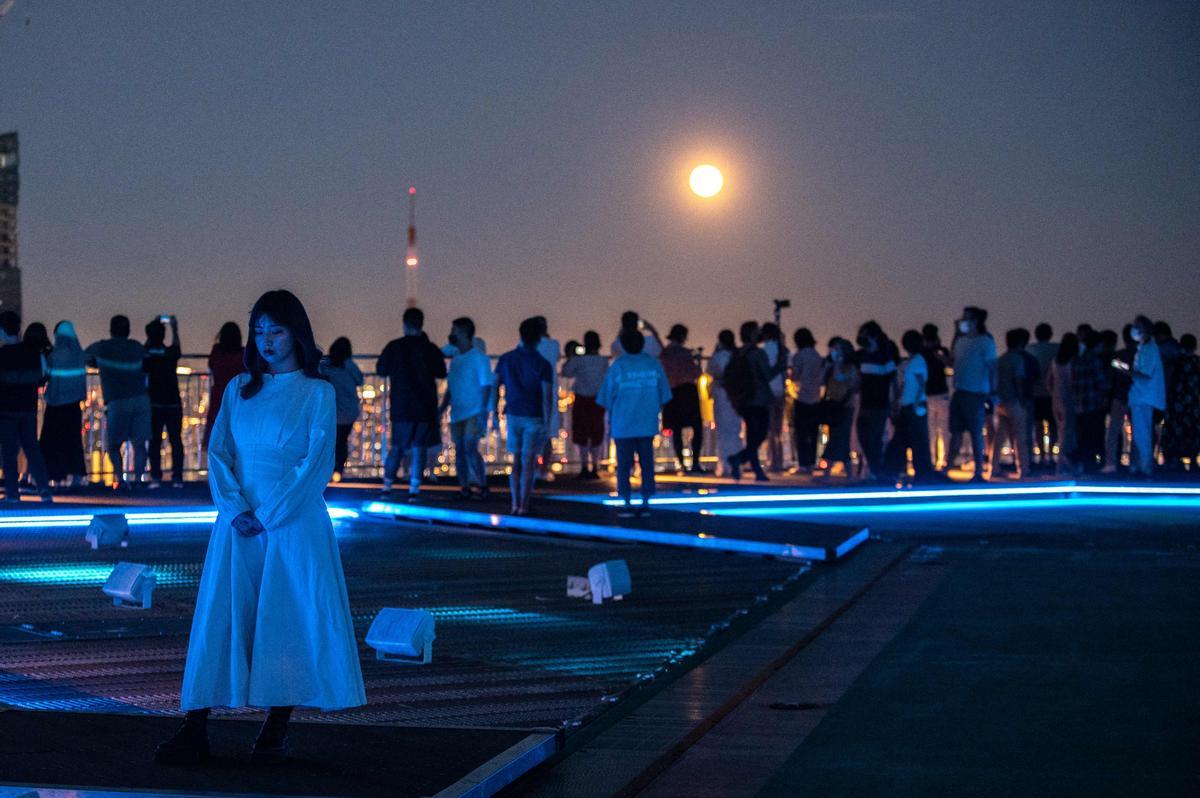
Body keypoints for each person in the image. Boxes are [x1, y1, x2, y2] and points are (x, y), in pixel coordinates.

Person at [156, 290, 364, 767]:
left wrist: (265, 515)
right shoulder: (239, 388)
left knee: (284, 617)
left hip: (289, 522)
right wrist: (234, 508)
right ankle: (196, 725)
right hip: (241, 520)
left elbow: (317, 464)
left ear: (297, 332)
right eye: (260, 331)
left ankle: (274, 729)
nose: (267, 341)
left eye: (277, 330)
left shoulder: (318, 391)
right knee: (223, 614)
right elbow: (219, 452)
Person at [598, 327, 672, 517]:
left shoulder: (618, 366)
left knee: (624, 465)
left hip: (623, 424)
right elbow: (664, 394)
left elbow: (605, 397)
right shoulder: (653, 365)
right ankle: (646, 501)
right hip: (647, 422)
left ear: (622, 345)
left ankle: (626, 502)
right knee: (647, 463)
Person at [376, 307, 447, 500]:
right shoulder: (430, 348)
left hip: (402, 406)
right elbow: (441, 372)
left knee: (397, 447)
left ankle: (387, 487)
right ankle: (414, 490)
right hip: (425, 406)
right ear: (421, 324)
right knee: (419, 449)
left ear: (404, 324)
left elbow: (381, 370)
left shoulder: (394, 347)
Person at [495, 318, 553, 515]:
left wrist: (494, 414)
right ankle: (523, 505)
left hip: (513, 414)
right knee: (529, 461)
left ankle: (514, 503)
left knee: (516, 460)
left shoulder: (506, 359)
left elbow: (496, 386)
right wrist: (547, 424)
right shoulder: (542, 364)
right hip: (534, 416)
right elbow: (547, 396)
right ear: (539, 338)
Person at [85, 315, 150, 490]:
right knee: (139, 443)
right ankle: (138, 481)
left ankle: (120, 480)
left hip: (117, 401)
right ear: (128, 330)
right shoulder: (136, 347)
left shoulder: (102, 348)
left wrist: (98, 363)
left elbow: (85, 355)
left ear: (111, 330)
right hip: (140, 399)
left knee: (113, 444)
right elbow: (148, 361)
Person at [724, 320, 787, 481]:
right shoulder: (757, 353)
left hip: (744, 399)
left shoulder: (739, 353)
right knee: (760, 434)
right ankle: (743, 461)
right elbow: (768, 375)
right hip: (759, 398)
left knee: (753, 434)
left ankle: (747, 464)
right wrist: (781, 364)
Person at [0, 312, 53, 503]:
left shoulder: (2, 355)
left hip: (6, 411)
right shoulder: (33, 353)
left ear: (3, 331)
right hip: (28, 409)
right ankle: (44, 490)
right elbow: (43, 377)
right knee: (33, 450)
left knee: (9, 451)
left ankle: (13, 493)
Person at [439, 317, 494, 498]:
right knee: (460, 450)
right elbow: (451, 385)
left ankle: (482, 484)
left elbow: (487, 385)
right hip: (457, 411)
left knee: (470, 448)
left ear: (463, 333)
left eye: (455, 330)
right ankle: (465, 486)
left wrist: (483, 412)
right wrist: (443, 408)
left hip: (474, 411)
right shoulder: (455, 356)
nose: (452, 333)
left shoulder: (479, 358)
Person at [948, 307, 997, 482]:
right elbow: (953, 359)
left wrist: (992, 392)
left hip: (976, 393)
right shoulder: (961, 341)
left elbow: (992, 368)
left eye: (966, 318)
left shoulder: (985, 341)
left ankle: (978, 471)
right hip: (959, 391)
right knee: (955, 432)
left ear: (976, 321)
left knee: (976, 433)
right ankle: (948, 468)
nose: (962, 321)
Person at [40, 320, 88, 489]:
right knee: (73, 440)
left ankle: (55, 477)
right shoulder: (80, 355)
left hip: (55, 404)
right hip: (73, 405)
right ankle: (76, 475)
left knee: (51, 441)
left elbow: (45, 375)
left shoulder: (54, 356)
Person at [885, 330, 933, 482]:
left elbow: (920, 383)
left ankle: (921, 474)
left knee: (914, 441)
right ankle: (918, 473)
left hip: (914, 405)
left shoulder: (917, 361)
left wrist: (917, 402)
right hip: (909, 405)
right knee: (908, 440)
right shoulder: (914, 361)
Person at [144, 316, 185, 488]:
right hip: (173, 402)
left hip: (154, 403)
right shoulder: (170, 353)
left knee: (154, 442)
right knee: (176, 441)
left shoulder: (146, 353)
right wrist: (174, 328)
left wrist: (153, 327)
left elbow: (146, 348)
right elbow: (177, 347)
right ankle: (177, 477)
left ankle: (155, 477)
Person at [659, 324, 705, 473]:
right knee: (697, 427)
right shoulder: (685, 353)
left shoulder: (665, 353)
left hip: (672, 393)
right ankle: (695, 462)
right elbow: (696, 373)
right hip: (688, 392)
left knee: (676, 430)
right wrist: (697, 360)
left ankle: (682, 464)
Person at [561, 330, 608, 478]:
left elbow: (566, 372)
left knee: (581, 434)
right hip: (598, 400)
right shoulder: (603, 361)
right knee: (596, 434)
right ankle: (594, 467)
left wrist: (572, 357)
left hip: (581, 399)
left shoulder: (579, 360)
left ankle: (583, 467)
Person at [854, 321, 896, 481]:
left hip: (880, 403)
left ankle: (876, 471)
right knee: (863, 435)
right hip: (865, 402)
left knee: (875, 437)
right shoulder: (861, 355)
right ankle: (875, 469)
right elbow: (859, 378)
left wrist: (893, 403)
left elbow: (893, 381)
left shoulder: (885, 355)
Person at [319, 337, 364, 481]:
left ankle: (326, 470)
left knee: (329, 442)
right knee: (342, 441)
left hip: (332, 411)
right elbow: (360, 380)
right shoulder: (349, 365)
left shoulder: (326, 365)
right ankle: (338, 471)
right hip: (349, 411)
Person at [991, 328, 1033, 479]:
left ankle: (993, 467)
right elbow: (1018, 381)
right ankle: (1024, 469)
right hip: (1014, 401)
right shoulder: (1018, 359)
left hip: (1001, 402)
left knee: (999, 437)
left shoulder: (1001, 359)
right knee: (1021, 437)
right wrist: (1022, 401)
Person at [1127, 316, 1165, 477]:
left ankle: (1145, 467)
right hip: (1142, 397)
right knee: (1141, 434)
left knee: (1142, 434)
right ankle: (1142, 466)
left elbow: (1145, 374)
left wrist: (1127, 371)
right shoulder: (1145, 348)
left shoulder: (1149, 349)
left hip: (1144, 397)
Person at [819, 338, 859, 477]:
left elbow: (842, 379)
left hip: (845, 405)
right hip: (833, 405)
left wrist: (835, 363)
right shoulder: (830, 366)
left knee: (839, 437)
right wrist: (828, 365)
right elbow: (821, 380)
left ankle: (829, 472)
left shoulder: (850, 367)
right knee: (838, 437)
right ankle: (846, 473)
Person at [706, 329, 744, 477]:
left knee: (722, 432)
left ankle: (725, 465)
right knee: (736, 431)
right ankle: (737, 464)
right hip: (736, 397)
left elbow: (711, 372)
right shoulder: (737, 356)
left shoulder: (718, 357)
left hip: (721, 396)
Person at [204, 322, 245, 452]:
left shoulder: (217, 352)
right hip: (238, 399)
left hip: (218, 398)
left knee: (217, 437)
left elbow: (210, 365)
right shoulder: (243, 355)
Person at [1072, 329, 1109, 474]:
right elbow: (1101, 383)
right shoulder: (1095, 360)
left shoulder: (1077, 359)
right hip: (1093, 404)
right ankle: (1085, 462)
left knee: (1083, 435)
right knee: (1093, 435)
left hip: (1079, 404)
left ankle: (1081, 461)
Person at [1162, 333, 1200, 469]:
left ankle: (1175, 459)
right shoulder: (1197, 362)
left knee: (1175, 431)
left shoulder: (1175, 362)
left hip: (1175, 402)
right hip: (1193, 404)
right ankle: (1193, 460)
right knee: (1192, 431)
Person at [789, 328, 824, 473]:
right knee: (814, 432)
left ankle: (803, 464)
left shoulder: (799, 356)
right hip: (816, 398)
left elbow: (795, 376)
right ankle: (812, 461)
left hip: (802, 397)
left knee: (801, 433)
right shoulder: (817, 356)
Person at [533, 316, 562, 481]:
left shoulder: (527, 345)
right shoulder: (554, 344)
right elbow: (557, 357)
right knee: (548, 434)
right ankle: (543, 469)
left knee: (531, 433)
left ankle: (532, 468)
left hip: (531, 391)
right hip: (550, 390)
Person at [1046, 333, 1079, 474]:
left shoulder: (1055, 361)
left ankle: (1062, 464)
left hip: (1056, 400)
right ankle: (1064, 463)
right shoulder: (1073, 361)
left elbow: (1048, 382)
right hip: (1069, 401)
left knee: (1062, 432)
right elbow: (1073, 383)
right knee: (1069, 433)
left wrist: (1053, 394)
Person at [921, 324, 952, 470]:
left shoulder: (925, 353)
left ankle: (936, 461)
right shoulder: (932, 352)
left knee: (933, 430)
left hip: (931, 394)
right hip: (939, 393)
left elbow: (949, 363)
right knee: (941, 429)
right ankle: (940, 461)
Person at [1028, 323, 1059, 469]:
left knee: (1038, 426)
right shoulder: (1056, 349)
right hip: (1053, 394)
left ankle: (1041, 456)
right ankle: (1052, 456)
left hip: (1035, 393)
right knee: (1053, 427)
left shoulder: (1030, 349)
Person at [761, 322, 788, 473]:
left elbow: (767, 371)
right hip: (781, 392)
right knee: (777, 429)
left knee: (771, 429)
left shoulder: (767, 349)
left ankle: (774, 461)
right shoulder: (782, 349)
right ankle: (780, 460)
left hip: (770, 392)